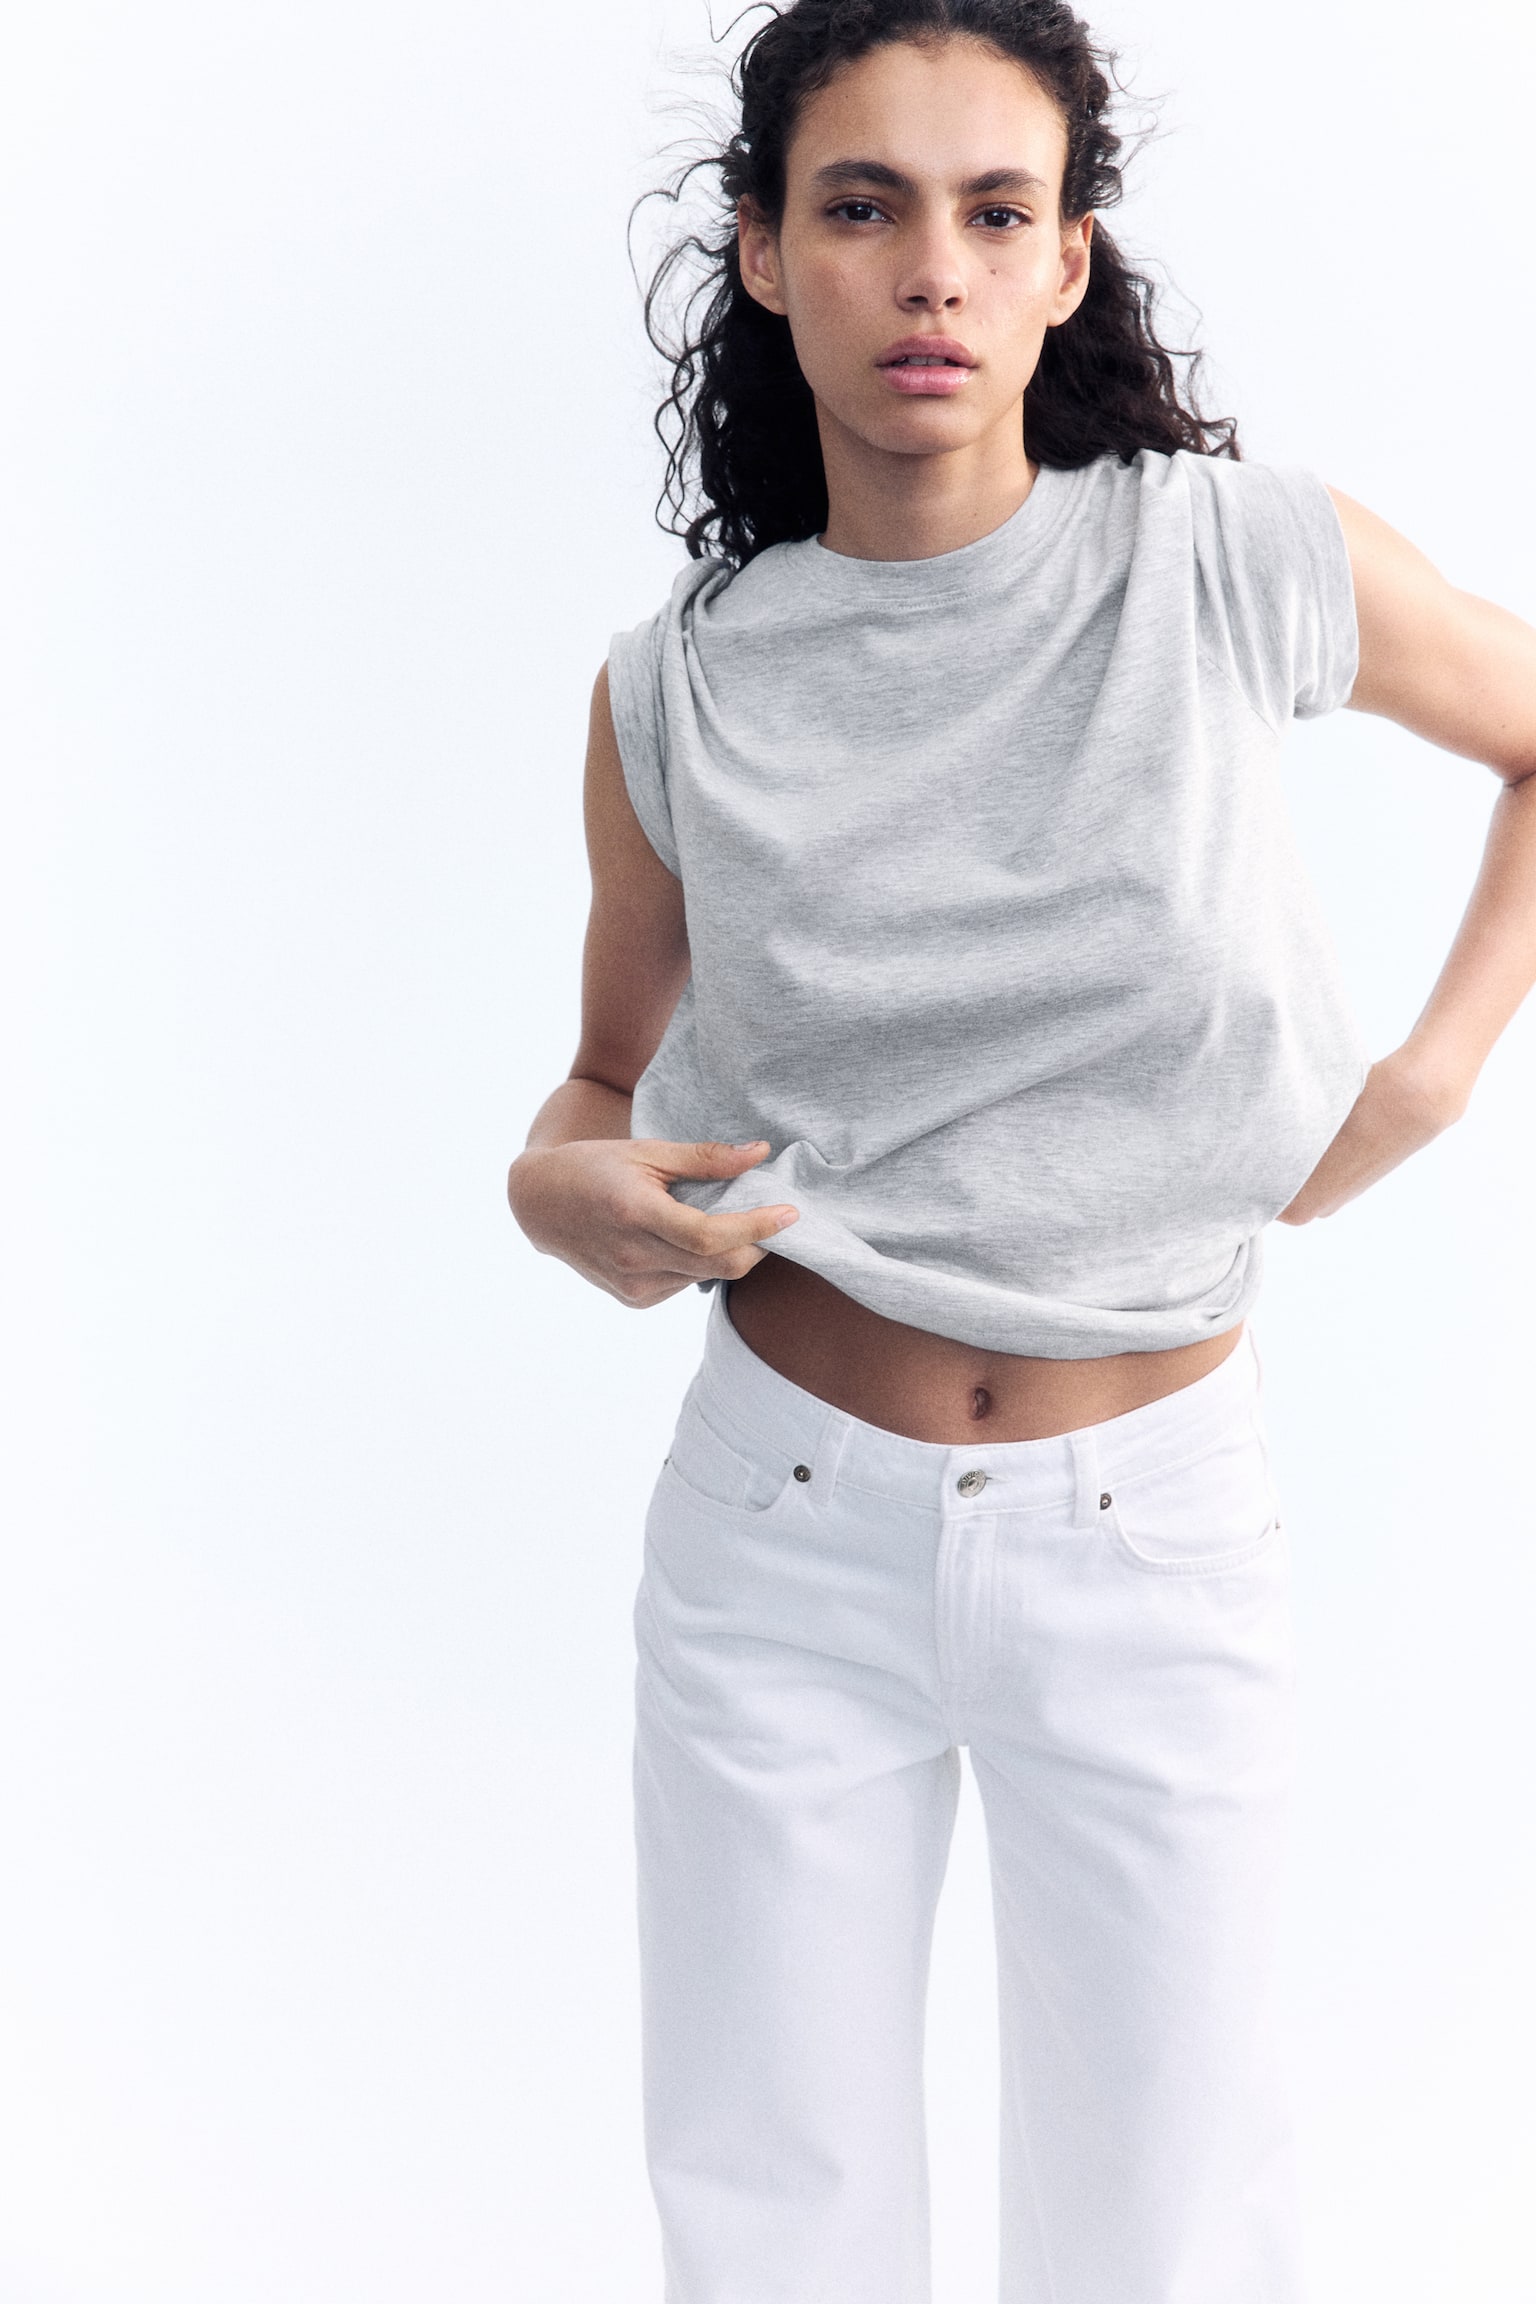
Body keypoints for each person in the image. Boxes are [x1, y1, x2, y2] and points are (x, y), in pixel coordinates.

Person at [508, 2, 1536, 2296]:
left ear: (1070, 262)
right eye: (862, 208)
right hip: (779, 1531)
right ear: (764, 251)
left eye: (996, 214)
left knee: (1167, 2233)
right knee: (773, 2229)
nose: (932, 274)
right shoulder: (677, 687)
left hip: (1147, 1526)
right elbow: (599, 1082)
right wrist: (551, 1184)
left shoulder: (1228, 561)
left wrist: (1438, 1070)